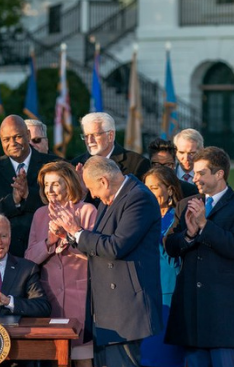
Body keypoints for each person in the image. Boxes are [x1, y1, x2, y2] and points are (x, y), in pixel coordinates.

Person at [50, 156, 162, 367]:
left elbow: (114, 247)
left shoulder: (139, 198)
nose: (92, 195)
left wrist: (77, 231)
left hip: (125, 308)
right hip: (105, 309)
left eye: (92, 189)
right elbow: (96, 245)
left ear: (103, 181)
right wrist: (68, 236)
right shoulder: (111, 198)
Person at [164, 147, 234, 367]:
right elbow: (170, 245)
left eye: (201, 173)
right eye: (195, 173)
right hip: (191, 304)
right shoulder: (185, 204)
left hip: (221, 306)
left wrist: (205, 225)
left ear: (219, 174)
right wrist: (189, 233)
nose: (195, 178)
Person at [25, 161, 96, 365]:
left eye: (55, 184)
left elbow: (96, 255)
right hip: (50, 301)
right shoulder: (39, 215)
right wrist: (50, 240)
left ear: (69, 183)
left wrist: (68, 237)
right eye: (46, 185)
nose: (50, 190)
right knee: (55, 359)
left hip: (81, 300)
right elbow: (29, 258)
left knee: (83, 359)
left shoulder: (87, 211)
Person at [0, 115, 59, 257]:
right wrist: (12, 201)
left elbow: (63, 206)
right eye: (6, 139)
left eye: (17, 136)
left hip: (48, 253)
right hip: (8, 256)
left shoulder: (54, 165)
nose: (12, 143)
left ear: (28, 134)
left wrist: (28, 194)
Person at [139, 165, 186, 367]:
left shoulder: (180, 217)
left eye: (155, 188)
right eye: (146, 187)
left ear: (170, 190)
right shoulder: (139, 217)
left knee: (166, 356)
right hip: (143, 295)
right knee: (146, 355)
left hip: (170, 292)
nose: (149, 193)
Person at [71, 112, 150, 180]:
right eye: (86, 136)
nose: (89, 141)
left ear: (110, 136)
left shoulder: (137, 164)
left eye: (95, 135)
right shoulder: (76, 165)